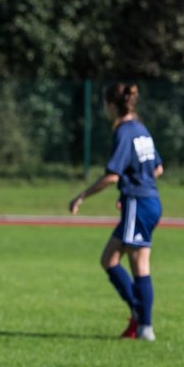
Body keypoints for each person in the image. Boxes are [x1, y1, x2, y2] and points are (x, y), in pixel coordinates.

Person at [68, 82, 163, 341]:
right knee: (111, 258)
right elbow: (157, 169)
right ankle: (141, 320)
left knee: (133, 262)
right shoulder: (141, 129)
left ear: (111, 104)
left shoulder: (123, 131)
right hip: (149, 201)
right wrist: (131, 188)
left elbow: (112, 175)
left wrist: (82, 196)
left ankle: (143, 323)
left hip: (138, 202)